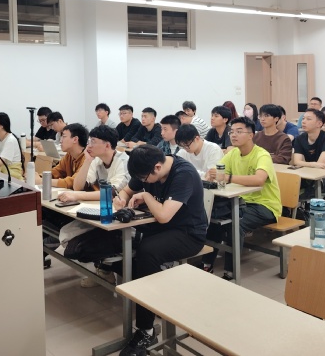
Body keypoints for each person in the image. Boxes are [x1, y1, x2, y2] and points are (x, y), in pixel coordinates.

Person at [114, 145, 207, 356]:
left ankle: (146, 329)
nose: (143, 182)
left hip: (189, 233)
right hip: (162, 227)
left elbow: (164, 215)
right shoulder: (146, 168)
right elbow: (126, 190)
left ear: (157, 167)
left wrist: (146, 196)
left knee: (148, 252)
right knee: (120, 240)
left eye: (145, 179)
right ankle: (148, 289)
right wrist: (122, 199)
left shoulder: (184, 174)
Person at [202, 117, 281, 277]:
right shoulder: (233, 153)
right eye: (231, 132)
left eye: (239, 131)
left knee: (234, 225)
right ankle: (207, 264)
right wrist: (212, 174)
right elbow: (218, 170)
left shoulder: (262, 155)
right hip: (240, 201)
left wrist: (228, 177)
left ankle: (231, 271)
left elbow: (259, 179)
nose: (233, 135)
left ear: (251, 135)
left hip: (264, 205)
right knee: (214, 221)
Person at [67, 124, 131, 288]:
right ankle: (103, 271)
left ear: (107, 145)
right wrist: (87, 162)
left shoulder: (123, 161)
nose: (88, 145)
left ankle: (105, 271)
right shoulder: (96, 160)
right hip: (105, 208)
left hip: (124, 213)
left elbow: (111, 193)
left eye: (93, 142)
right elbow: (78, 186)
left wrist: (76, 196)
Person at [293, 109, 325, 199]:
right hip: (311, 177)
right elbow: (297, 162)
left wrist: (308, 164)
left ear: (319, 124)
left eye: (308, 119)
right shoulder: (299, 139)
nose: (303, 121)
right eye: (303, 118)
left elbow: (320, 166)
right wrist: (313, 164)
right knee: (292, 181)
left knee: (313, 184)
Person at [35, 123, 88, 188]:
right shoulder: (69, 155)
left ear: (75, 139)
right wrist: (40, 176)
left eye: (64, 137)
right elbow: (56, 171)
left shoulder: (87, 158)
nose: (60, 140)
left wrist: (42, 181)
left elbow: (73, 182)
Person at [0, 112, 25, 179]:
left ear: (2, 125)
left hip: (11, 175)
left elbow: (1, 162)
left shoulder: (10, 140)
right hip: (0, 172)